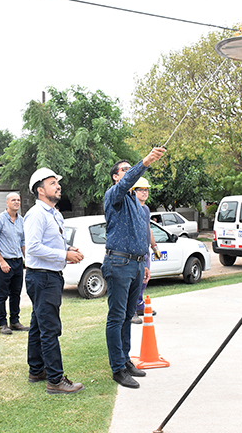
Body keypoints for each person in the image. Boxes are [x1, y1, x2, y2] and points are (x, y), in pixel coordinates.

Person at [103, 147, 165, 389]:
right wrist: (146, 161)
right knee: (116, 317)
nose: (130, 174)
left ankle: (126, 360)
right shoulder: (114, 195)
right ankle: (117, 368)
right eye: (125, 170)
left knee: (129, 316)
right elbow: (127, 181)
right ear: (116, 177)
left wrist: (144, 262)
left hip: (136, 265)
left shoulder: (137, 204)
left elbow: (142, 235)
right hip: (119, 263)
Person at [24, 167, 85, 394]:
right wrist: (63, 255)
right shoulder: (36, 214)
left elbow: (49, 242)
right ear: (40, 190)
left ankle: (37, 369)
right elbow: (33, 247)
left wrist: (67, 248)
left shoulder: (54, 213)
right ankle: (55, 380)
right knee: (49, 328)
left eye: (57, 183)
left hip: (48, 276)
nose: (58, 186)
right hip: (42, 277)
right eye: (52, 183)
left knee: (38, 325)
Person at [0, 192, 28, 335]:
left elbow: (23, 241)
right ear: (7, 203)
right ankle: (3, 324)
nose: (16, 202)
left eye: (18, 200)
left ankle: (15, 321)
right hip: (4, 262)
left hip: (17, 262)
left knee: (16, 293)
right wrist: (1, 261)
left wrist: (26, 259)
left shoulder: (21, 221)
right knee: (1, 295)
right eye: (13, 200)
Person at [130, 177, 161, 325]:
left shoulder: (146, 209)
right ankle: (131, 311)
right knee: (134, 280)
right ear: (134, 191)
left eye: (146, 190)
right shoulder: (132, 208)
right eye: (141, 190)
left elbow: (148, 228)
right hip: (135, 252)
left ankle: (140, 305)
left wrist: (154, 246)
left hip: (145, 250)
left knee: (144, 278)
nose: (144, 192)